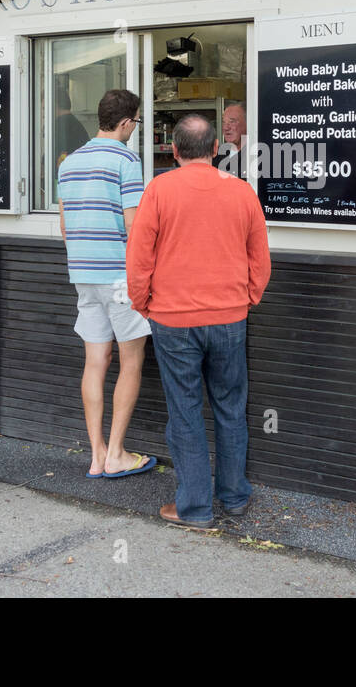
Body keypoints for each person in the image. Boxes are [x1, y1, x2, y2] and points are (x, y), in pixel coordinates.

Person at [127, 113, 271, 528]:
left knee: (185, 411)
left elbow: (138, 258)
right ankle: (235, 496)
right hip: (229, 316)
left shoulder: (158, 190)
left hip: (173, 319)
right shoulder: (242, 192)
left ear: (173, 150)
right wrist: (247, 298)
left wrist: (144, 305)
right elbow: (259, 258)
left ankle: (194, 508)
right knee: (231, 405)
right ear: (215, 150)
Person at [57, 88, 157, 479]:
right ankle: (116, 452)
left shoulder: (70, 163)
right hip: (119, 276)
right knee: (132, 361)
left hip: (83, 274)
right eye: (137, 122)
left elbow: (65, 227)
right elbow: (135, 227)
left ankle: (96, 455)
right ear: (127, 122)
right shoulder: (127, 161)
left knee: (95, 361)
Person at [213, 101, 248, 179]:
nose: (226, 127)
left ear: (248, 123)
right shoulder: (215, 154)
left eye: (232, 122)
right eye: (224, 122)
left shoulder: (257, 157)